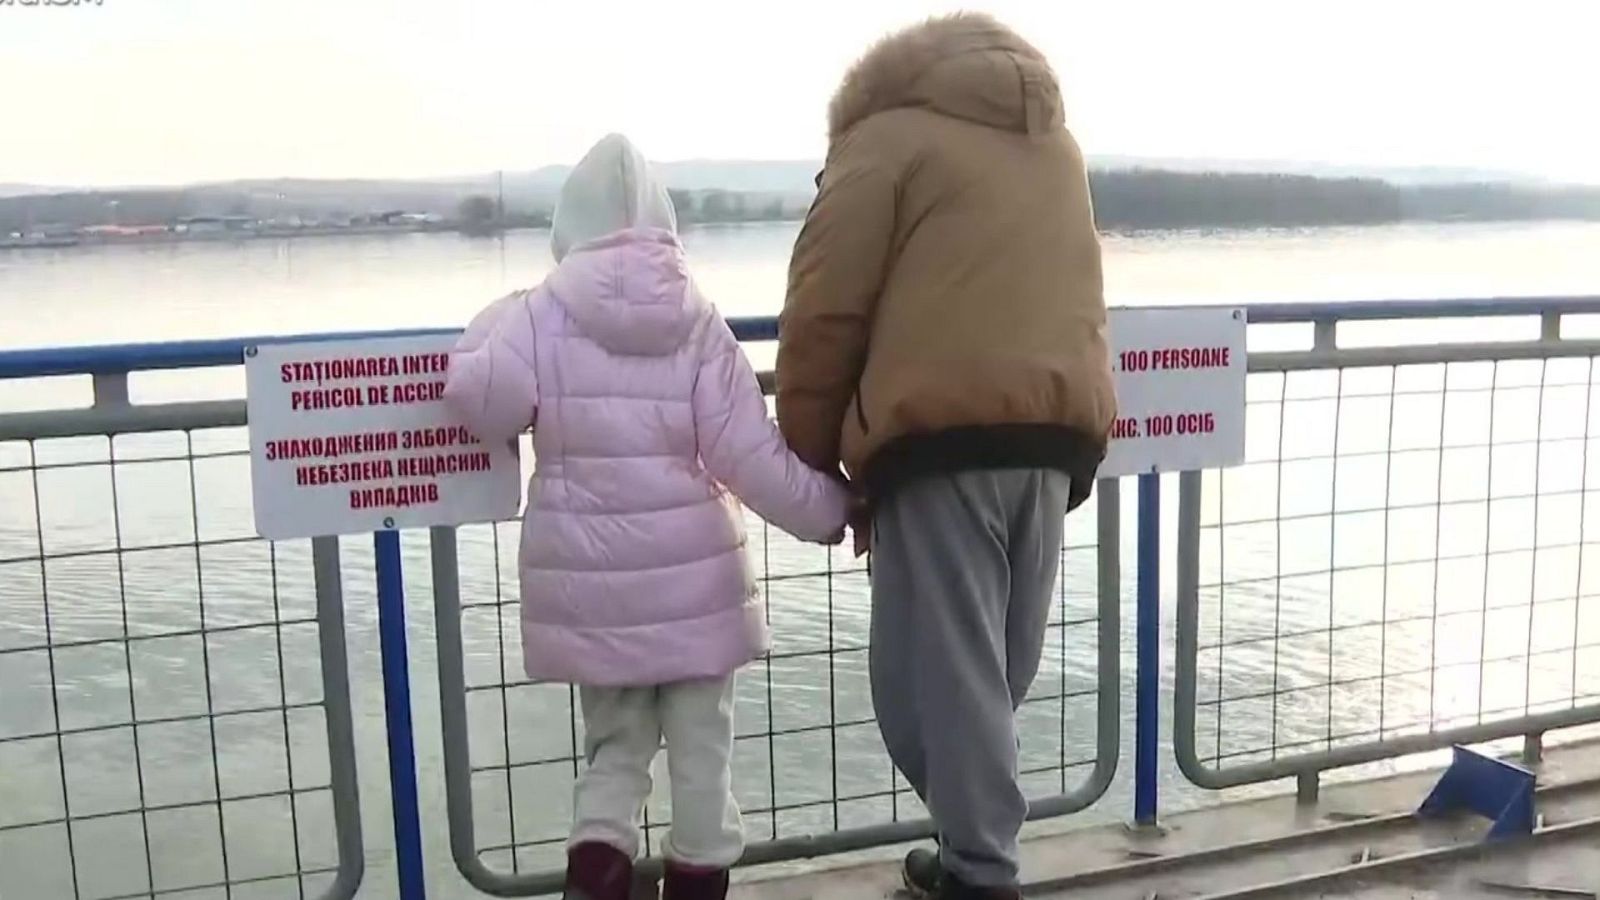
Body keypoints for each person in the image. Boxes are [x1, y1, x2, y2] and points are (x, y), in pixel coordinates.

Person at [444, 133, 851, 900]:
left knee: (614, 755)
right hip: (698, 590)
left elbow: (479, 399)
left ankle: (595, 881)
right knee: (703, 759)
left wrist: (502, 313)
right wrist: (834, 512)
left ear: (569, 227)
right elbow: (750, 456)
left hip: (592, 593)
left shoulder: (538, 316)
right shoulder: (698, 320)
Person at [774, 13, 1116, 900]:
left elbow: (823, 313)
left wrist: (815, 460)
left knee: (928, 684)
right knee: (993, 671)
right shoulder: (1057, 147)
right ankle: (975, 847)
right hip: (1053, 436)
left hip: (937, 440)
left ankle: (980, 871)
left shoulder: (881, 141)